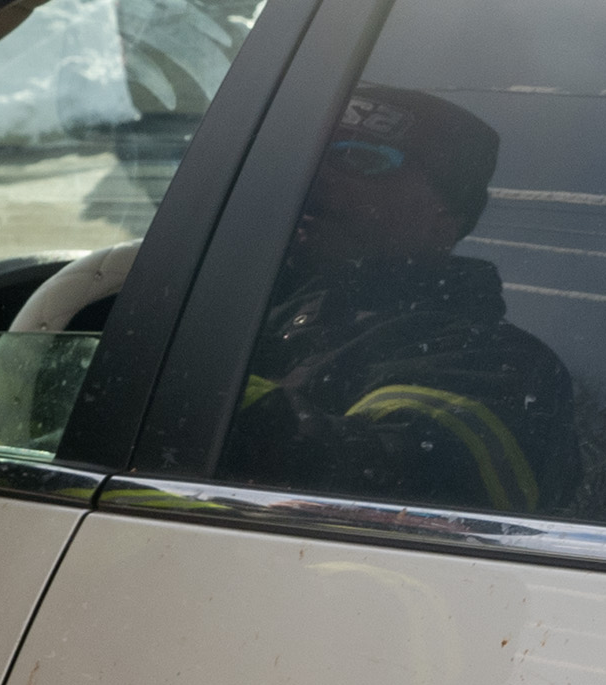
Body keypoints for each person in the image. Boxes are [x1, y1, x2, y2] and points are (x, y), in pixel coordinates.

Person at [224, 85, 577, 514]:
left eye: (360, 158)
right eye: (314, 152)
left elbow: (410, 491)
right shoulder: (235, 297)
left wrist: (203, 387)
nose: (317, 173)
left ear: (446, 220)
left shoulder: (496, 361)